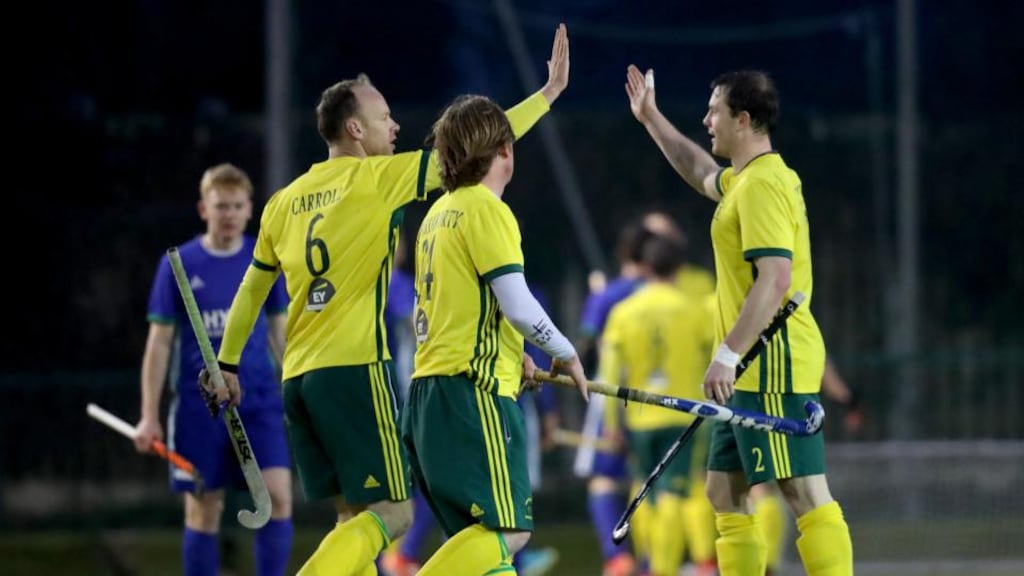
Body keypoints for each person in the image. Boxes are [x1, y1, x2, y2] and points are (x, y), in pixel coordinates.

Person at [209, 24, 573, 576]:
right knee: (396, 514)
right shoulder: (379, 179)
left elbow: (252, 290)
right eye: (384, 118)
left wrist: (227, 362)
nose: (396, 126)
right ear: (354, 128)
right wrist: (545, 97)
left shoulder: (282, 202)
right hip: (356, 370)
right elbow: (471, 150)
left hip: (299, 381)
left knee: (353, 523)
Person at [625, 65, 854, 575]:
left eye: (715, 111)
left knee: (804, 492)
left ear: (744, 120)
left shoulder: (762, 186)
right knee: (723, 490)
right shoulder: (744, 181)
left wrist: (727, 355)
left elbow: (774, 279)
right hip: (749, 369)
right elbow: (700, 171)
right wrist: (651, 120)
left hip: (772, 363)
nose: (706, 119)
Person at [401, 93, 589, 576]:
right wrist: (565, 353)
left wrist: (513, 358)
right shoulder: (487, 209)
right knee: (509, 533)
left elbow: (464, 311)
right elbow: (520, 308)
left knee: (479, 545)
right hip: (471, 397)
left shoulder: (436, 216)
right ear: (504, 150)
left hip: (429, 396)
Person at [135, 163, 293, 576]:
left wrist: (297, 390)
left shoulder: (264, 258)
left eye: (237, 206)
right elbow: (159, 343)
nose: (229, 214)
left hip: (259, 401)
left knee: (278, 498)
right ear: (203, 208)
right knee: (204, 509)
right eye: (220, 206)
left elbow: (281, 333)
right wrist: (149, 414)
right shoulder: (179, 264)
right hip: (198, 408)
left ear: (249, 208)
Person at [600, 234, 715, 576]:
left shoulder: (623, 312)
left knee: (644, 489)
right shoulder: (693, 309)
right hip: (685, 415)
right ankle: (684, 564)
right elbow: (716, 358)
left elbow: (609, 372)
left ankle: (649, 561)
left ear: (645, 268)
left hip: (640, 418)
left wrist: (610, 422)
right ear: (679, 269)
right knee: (679, 491)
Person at [749, 356, 864, 575]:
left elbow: (814, 352)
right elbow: (817, 355)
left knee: (764, 497)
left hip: (757, 403)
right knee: (727, 496)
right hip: (747, 402)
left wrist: (845, 399)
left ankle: (757, 568)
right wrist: (845, 399)